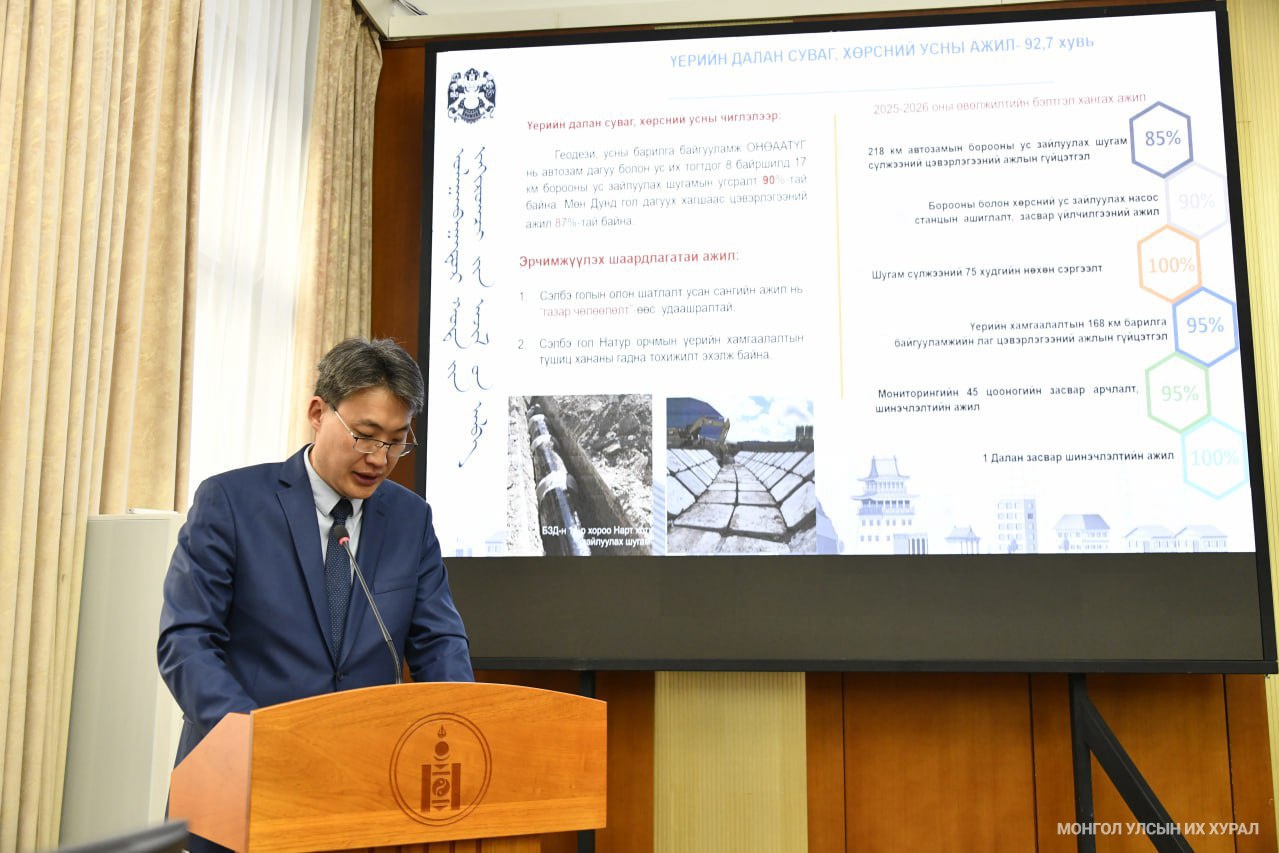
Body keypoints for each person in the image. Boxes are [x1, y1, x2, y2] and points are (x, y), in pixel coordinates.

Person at [158, 337, 473, 852]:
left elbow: (439, 642)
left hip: (362, 790)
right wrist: (258, 739)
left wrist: (460, 726)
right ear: (318, 413)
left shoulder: (410, 518)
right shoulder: (231, 502)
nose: (379, 459)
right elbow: (186, 641)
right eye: (365, 436)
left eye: (396, 442)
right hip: (242, 781)